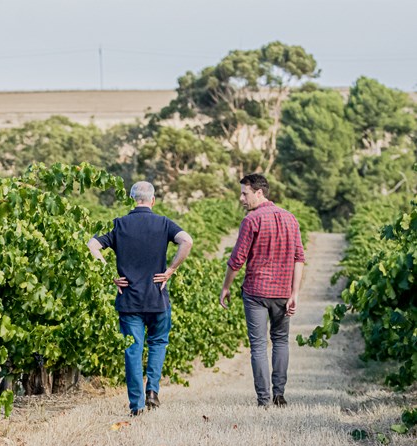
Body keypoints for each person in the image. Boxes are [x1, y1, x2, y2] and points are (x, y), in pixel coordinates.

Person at [87, 182, 194, 416]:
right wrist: (171, 270)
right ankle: (152, 391)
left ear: (132, 198)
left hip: (129, 301)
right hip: (157, 298)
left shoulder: (119, 224)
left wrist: (110, 274)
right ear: (152, 200)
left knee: (133, 351)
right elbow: (187, 241)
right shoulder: (164, 223)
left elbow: (92, 245)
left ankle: (137, 406)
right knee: (158, 343)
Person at [219, 173, 305, 408]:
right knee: (280, 341)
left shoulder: (251, 220)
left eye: (244, 193)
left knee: (258, 345)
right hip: (282, 293)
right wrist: (294, 293)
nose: (241, 198)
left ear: (259, 193)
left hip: (256, 292)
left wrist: (226, 287)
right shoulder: (291, 218)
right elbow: (299, 258)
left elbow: (237, 260)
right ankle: (279, 395)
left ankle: (264, 399)